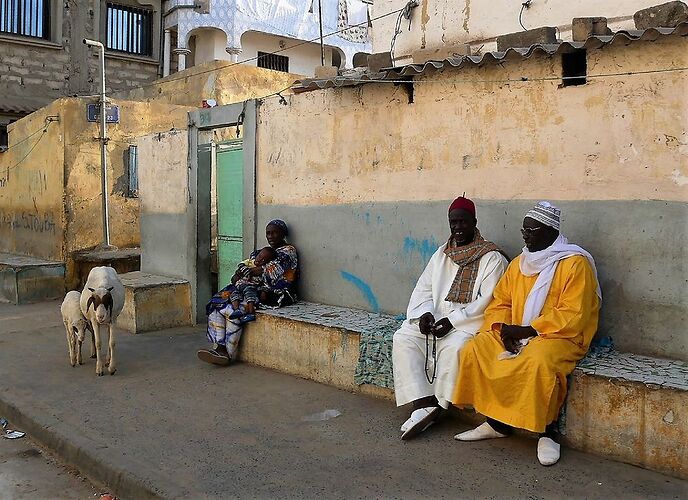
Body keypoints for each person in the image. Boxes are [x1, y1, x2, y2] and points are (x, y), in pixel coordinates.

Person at [452, 201, 601, 466]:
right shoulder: (520, 263)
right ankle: (497, 423)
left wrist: (529, 330)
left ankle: (548, 431)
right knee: (477, 348)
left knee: (538, 362)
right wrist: (503, 330)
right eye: (524, 230)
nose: (525, 235)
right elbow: (501, 302)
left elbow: (573, 314)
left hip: (560, 336)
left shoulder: (575, 264)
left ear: (550, 231)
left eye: (532, 231)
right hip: (517, 330)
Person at [392, 196, 508, 440]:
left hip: (466, 324)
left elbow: (487, 301)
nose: (457, 228)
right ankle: (421, 401)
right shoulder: (441, 254)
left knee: (456, 347)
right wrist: (424, 314)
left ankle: (437, 404)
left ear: (474, 222)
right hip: (437, 319)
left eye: (463, 222)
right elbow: (423, 288)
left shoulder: (492, 258)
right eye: (453, 222)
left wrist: (454, 322)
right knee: (403, 337)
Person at [197, 219, 299, 366]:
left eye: (274, 233)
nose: (270, 236)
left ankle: (227, 353)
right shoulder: (260, 252)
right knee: (218, 302)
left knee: (234, 309)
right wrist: (240, 274)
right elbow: (245, 268)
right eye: (268, 233)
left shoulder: (288, 252)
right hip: (250, 286)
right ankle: (219, 347)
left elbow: (269, 272)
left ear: (283, 234)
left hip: (274, 292)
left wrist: (249, 272)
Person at [228, 246, 278, 322]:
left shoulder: (263, 271)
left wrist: (263, 291)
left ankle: (251, 313)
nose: (260, 260)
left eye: (264, 260)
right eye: (260, 256)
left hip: (250, 286)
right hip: (239, 285)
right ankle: (236, 310)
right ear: (257, 255)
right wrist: (244, 271)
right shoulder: (250, 262)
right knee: (234, 294)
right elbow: (241, 265)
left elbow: (265, 283)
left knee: (250, 295)